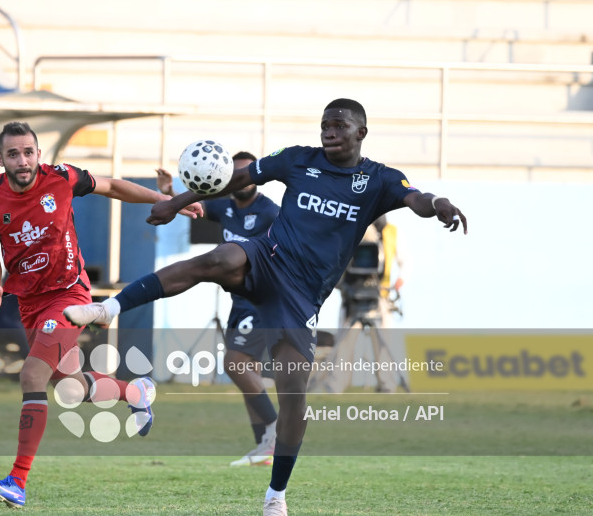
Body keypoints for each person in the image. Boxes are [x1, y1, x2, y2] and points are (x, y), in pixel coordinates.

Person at [64, 99, 468, 516]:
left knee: (294, 399)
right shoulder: (296, 160)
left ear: (360, 133)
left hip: (301, 298)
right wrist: (175, 201)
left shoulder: (379, 179)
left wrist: (437, 204)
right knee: (219, 259)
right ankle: (109, 308)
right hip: (267, 258)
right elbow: (236, 178)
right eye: (325, 125)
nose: (329, 132)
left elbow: (415, 197)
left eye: (339, 126)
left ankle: (276, 494)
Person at [0, 121, 202, 508]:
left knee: (32, 374)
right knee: (71, 387)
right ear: (1, 160)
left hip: (68, 295)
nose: (23, 160)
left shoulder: (61, 178)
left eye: (28, 152)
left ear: (38, 154)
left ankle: (17, 481)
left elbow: (112, 186)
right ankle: (136, 391)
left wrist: (165, 202)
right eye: (13, 154)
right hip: (29, 302)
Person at [157, 151, 281, 467]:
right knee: (246, 371)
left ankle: (276, 431)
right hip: (238, 300)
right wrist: (171, 192)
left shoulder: (269, 212)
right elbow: (195, 208)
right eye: (235, 174)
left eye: (246, 173)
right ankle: (264, 449)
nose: (240, 179)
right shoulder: (224, 204)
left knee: (235, 363)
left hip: (261, 299)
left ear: (256, 176)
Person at [322, 214, 407, 393]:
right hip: (351, 293)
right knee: (344, 343)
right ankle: (335, 385)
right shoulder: (347, 228)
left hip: (379, 294)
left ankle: (387, 384)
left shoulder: (390, 231)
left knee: (384, 342)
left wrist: (401, 279)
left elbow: (405, 260)